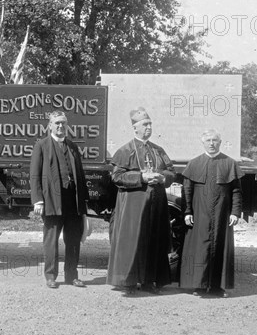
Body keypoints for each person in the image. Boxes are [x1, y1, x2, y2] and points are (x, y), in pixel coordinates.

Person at [106, 107, 175, 295]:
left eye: (150, 124)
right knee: (132, 241)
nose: (149, 127)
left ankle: (149, 281)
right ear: (134, 128)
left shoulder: (158, 150)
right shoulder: (125, 150)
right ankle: (127, 283)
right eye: (145, 124)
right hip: (133, 205)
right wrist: (142, 178)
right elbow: (117, 177)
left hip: (156, 203)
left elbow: (171, 172)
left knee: (153, 241)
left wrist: (161, 177)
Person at [179, 129, 243, 298]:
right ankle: (198, 285)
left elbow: (236, 190)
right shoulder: (194, 164)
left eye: (215, 140)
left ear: (220, 142)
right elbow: (187, 190)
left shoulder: (230, 163)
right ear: (203, 143)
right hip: (200, 212)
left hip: (223, 213)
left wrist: (235, 212)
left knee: (221, 246)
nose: (212, 143)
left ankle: (218, 287)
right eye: (208, 140)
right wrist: (187, 211)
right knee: (199, 248)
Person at [30, 111, 89, 289]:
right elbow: (34, 175)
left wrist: (84, 204)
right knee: (51, 240)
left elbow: (80, 174)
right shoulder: (41, 145)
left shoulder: (72, 146)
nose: (60, 127)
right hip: (51, 201)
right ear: (50, 126)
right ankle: (51, 276)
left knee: (73, 240)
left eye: (63, 123)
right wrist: (38, 200)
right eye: (57, 123)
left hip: (73, 201)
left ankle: (72, 276)